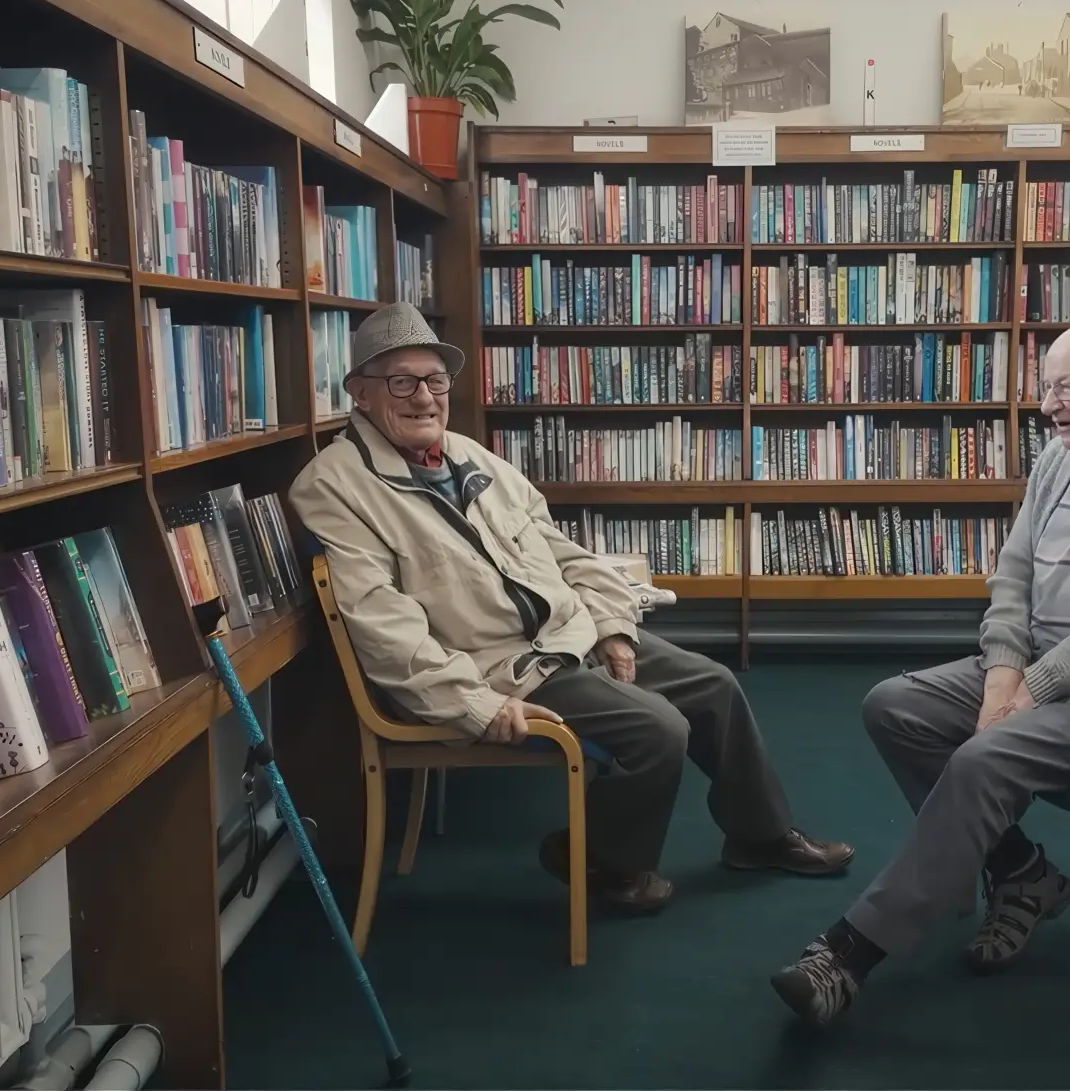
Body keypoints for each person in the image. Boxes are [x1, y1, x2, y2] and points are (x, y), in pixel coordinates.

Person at [768, 317, 1070, 1026]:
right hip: (1044, 664)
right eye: (1046, 387)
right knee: (894, 705)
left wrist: (1032, 688)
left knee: (982, 756)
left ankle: (849, 954)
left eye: (1069, 387)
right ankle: (1022, 874)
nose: (1049, 403)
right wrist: (1004, 670)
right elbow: (1015, 573)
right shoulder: (1064, 453)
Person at [292, 303, 853, 916]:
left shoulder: (471, 456)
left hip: (569, 636)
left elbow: (565, 552)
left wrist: (614, 627)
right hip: (497, 668)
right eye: (401, 381)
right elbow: (381, 626)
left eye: (435, 380)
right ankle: (602, 865)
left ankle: (761, 836)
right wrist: (474, 706)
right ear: (360, 394)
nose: (424, 397)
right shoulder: (332, 487)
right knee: (659, 730)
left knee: (715, 687)